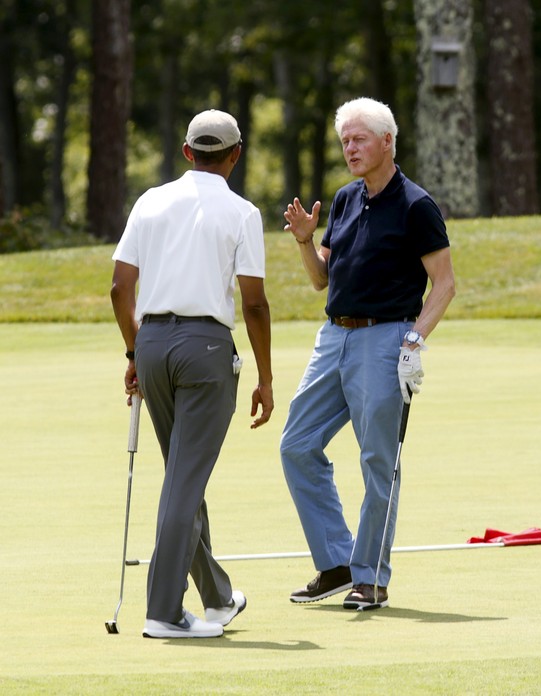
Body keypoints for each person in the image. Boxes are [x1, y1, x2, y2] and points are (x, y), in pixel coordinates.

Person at [280, 97, 455, 611]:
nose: (350, 149)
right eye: (345, 141)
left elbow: (444, 285)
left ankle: (371, 576)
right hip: (334, 336)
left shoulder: (416, 205)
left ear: (387, 142)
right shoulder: (344, 199)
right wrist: (305, 243)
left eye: (359, 139)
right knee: (297, 445)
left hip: (386, 339)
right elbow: (321, 280)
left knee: (379, 459)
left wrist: (414, 341)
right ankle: (336, 563)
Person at [110, 109, 274, 638]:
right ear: (235, 155)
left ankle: (218, 597)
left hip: (153, 344)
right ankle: (163, 611)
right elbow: (254, 306)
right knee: (184, 479)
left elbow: (119, 289)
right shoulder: (243, 212)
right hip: (205, 350)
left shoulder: (149, 200)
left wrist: (136, 354)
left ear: (186, 153)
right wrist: (266, 378)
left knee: (184, 474)